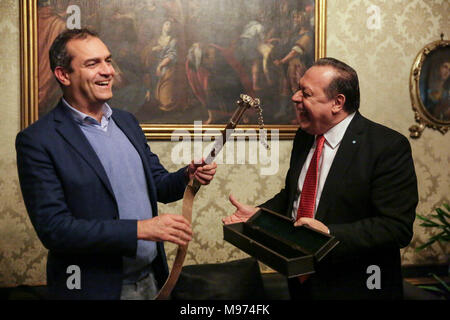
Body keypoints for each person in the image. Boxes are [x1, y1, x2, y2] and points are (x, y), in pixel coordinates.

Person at [16, 28, 217, 300]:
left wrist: (186, 176)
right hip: (93, 290)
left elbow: (158, 185)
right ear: (63, 74)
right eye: (92, 63)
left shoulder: (127, 122)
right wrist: (141, 229)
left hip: (152, 281)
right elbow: (55, 230)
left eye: (108, 60)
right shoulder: (38, 140)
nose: (108, 71)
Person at [223, 57, 418, 300]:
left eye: (305, 93)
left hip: (358, 286)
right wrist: (259, 216)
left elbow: (396, 228)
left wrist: (327, 232)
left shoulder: (386, 146)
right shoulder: (305, 136)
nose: (294, 97)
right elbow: (293, 195)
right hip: (303, 282)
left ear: (337, 102)